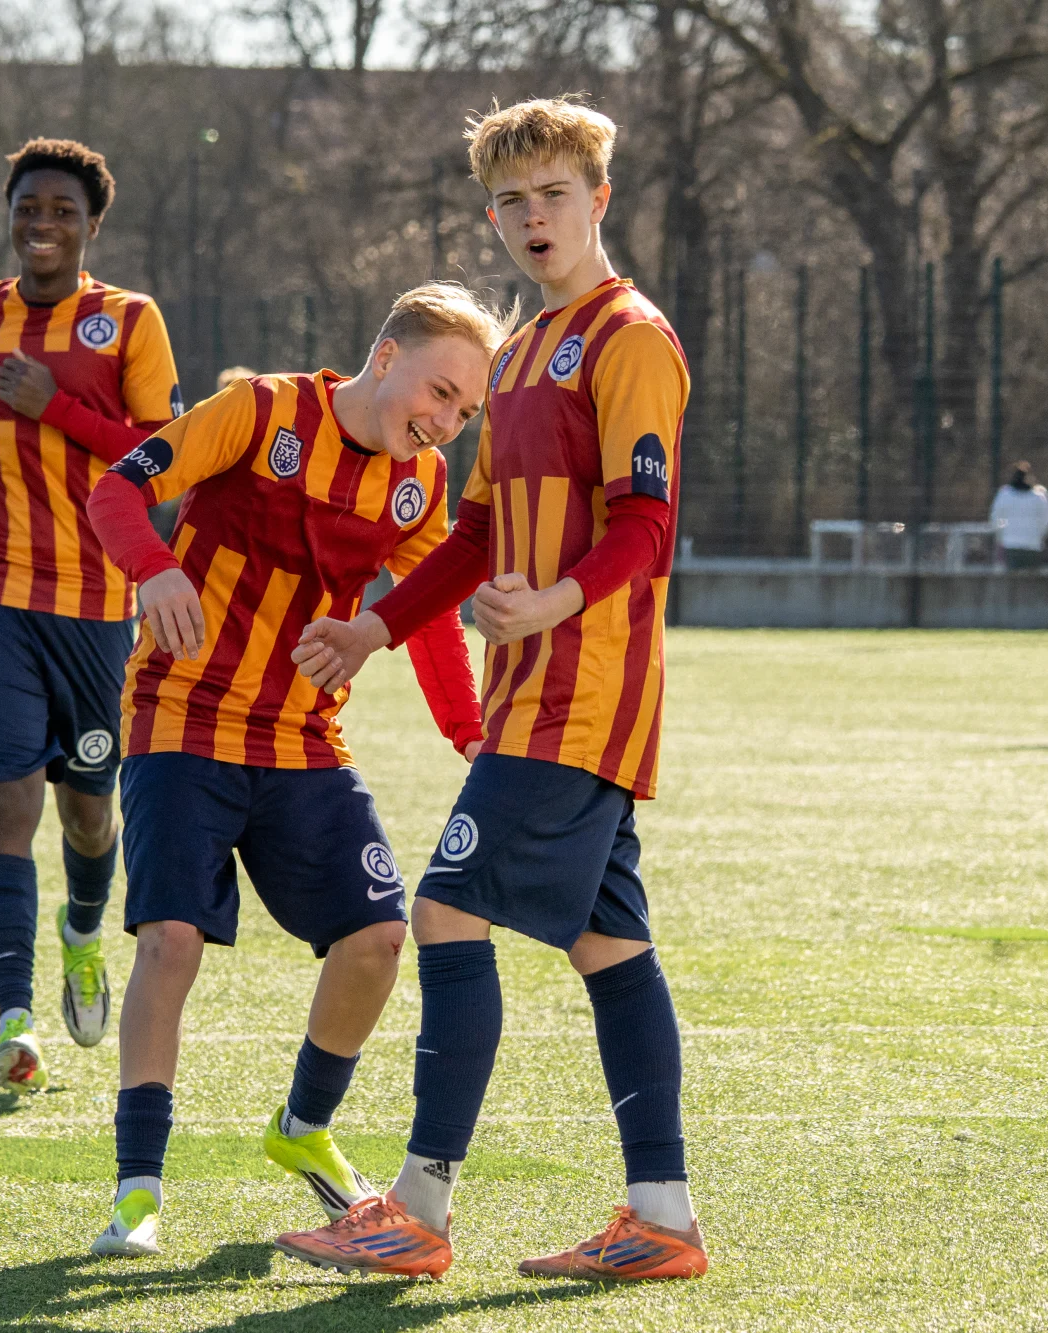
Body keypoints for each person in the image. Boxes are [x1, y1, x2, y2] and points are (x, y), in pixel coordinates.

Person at [273, 96, 708, 1282]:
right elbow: (467, 537)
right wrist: (374, 626)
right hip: (528, 695)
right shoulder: (513, 354)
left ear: (597, 199)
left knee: (444, 908)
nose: (531, 218)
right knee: (608, 947)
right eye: (510, 201)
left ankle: (417, 1208)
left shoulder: (630, 338)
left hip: (582, 694)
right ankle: (661, 1217)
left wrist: (558, 603)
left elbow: (648, 522)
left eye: (552, 195)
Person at [81, 284, 497, 1258]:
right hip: (180, 717)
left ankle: (302, 1122)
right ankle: (137, 1192)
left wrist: (467, 732)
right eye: (438, 392)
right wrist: (154, 567)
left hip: (302, 739)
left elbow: (430, 609)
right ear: (383, 356)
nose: (442, 423)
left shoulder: (417, 486)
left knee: (376, 942)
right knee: (171, 941)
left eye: (463, 413)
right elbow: (115, 490)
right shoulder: (260, 410)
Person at [0, 137, 181, 1095]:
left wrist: (60, 407)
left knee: (89, 815)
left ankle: (84, 930)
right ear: (9, 214)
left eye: (61, 210)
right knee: (7, 801)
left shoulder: (131, 322)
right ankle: (13, 1017)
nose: (42, 224)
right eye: (28, 208)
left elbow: (160, 453)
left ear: (92, 224)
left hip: (98, 600)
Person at [989, 460, 1048, 572]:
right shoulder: (1040, 496)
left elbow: (996, 518)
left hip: (1010, 545)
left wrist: (1003, 534)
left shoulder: (1004, 494)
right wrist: (1038, 535)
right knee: (1031, 583)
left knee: (1011, 583)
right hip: (1033, 545)